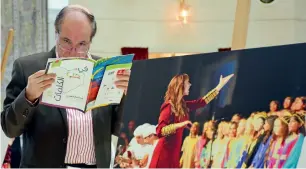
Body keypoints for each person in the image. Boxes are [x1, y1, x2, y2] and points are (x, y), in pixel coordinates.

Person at [1, 5, 130, 168]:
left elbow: (119, 130)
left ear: (90, 42)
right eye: (66, 41)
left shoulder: (105, 71)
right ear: (56, 34)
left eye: (82, 44)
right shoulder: (27, 67)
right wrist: (28, 96)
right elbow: (10, 129)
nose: (73, 52)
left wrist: (127, 96)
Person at [148, 73, 234, 168]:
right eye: (187, 82)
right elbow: (160, 131)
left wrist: (219, 86)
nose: (190, 85)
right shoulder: (169, 106)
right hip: (164, 154)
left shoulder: (182, 105)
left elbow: (201, 102)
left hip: (173, 154)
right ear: (181, 85)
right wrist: (180, 125)